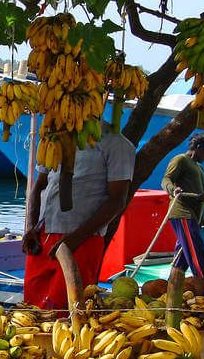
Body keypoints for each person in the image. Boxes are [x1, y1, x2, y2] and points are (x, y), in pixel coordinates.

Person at [22, 129, 135, 310]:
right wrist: (31, 227)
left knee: (68, 311)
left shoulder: (116, 144)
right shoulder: (53, 138)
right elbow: (39, 185)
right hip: (42, 237)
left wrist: (75, 239)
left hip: (82, 240)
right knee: (31, 308)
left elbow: (117, 200)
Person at [161, 134, 204, 279]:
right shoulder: (181, 160)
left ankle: (173, 281)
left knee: (183, 253)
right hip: (182, 212)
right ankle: (202, 280)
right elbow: (166, 179)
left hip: (194, 215)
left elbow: (203, 191)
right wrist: (173, 189)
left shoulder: (199, 168)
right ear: (198, 148)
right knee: (195, 249)